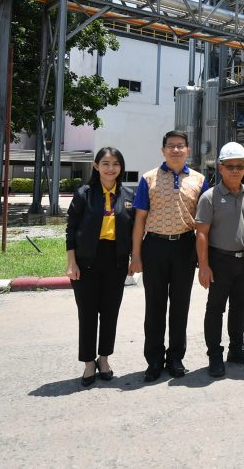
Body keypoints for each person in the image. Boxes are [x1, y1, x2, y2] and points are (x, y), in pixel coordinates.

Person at [130, 130, 209, 382]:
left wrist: (204, 259)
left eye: (180, 146)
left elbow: (204, 223)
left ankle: (176, 358)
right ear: (163, 150)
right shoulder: (148, 178)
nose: (175, 150)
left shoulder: (199, 180)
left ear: (188, 150)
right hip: (154, 246)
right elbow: (139, 219)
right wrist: (136, 255)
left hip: (184, 247)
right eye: (171, 146)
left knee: (180, 306)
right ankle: (154, 360)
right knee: (154, 306)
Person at [65, 147, 134, 386]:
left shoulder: (128, 196)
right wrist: (71, 262)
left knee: (110, 312)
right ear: (96, 166)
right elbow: (71, 230)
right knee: (87, 314)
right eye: (105, 163)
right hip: (86, 261)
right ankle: (88, 363)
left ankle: (104, 359)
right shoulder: (83, 194)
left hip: (116, 261)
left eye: (115, 164)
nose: (110, 168)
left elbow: (135, 230)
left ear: (121, 168)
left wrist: (134, 258)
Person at [195, 142, 244, 378]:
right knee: (215, 308)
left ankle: (236, 349)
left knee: (239, 306)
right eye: (230, 166)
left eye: (239, 166)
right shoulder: (209, 197)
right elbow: (201, 234)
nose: (235, 170)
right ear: (220, 168)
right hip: (219, 260)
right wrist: (204, 266)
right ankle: (215, 355)